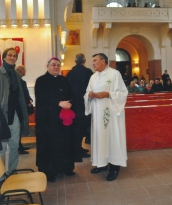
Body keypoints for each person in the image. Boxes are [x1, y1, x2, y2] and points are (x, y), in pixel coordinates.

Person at [84, 53, 128, 181]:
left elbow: (123, 93)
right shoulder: (93, 77)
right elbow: (87, 93)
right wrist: (89, 95)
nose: (93, 63)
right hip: (97, 114)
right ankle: (102, 164)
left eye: (95, 60)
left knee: (112, 138)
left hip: (111, 115)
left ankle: (114, 167)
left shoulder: (114, 74)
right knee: (100, 138)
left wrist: (108, 94)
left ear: (103, 61)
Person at [35, 57, 76, 182]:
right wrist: (59, 103)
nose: (56, 67)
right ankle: (49, 171)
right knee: (49, 145)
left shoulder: (64, 80)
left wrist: (69, 103)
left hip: (62, 120)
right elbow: (42, 98)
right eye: (53, 65)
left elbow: (71, 94)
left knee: (64, 143)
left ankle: (65, 167)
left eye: (58, 65)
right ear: (47, 66)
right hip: (48, 121)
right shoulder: (41, 81)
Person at [0, 47, 29, 184]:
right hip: (2, 115)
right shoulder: (0, 73)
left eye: (15, 56)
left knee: (14, 146)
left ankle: (11, 171)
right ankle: (1, 175)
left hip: (15, 114)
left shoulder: (17, 75)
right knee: (1, 147)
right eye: (10, 55)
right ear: (4, 57)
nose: (12, 58)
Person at [66, 53, 93, 159]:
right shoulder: (88, 72)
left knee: (75, 128)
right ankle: (77, 150)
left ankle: (78, 148)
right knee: (82, 128)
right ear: (84, 61)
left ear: (75, 61)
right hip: (85, 104)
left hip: (73, 105)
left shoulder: (70, 73)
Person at [15, 64, 34, 154]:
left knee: (21, 127)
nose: (25, 71)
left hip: (23, 106)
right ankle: (18, 147)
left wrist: (30, 99)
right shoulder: (19, 82)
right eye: (24, 70)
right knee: (19, 127)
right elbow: (23, 95)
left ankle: (20, 146)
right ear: (20, 71)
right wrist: (28, 101)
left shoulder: (22, 81)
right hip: (20, 108)